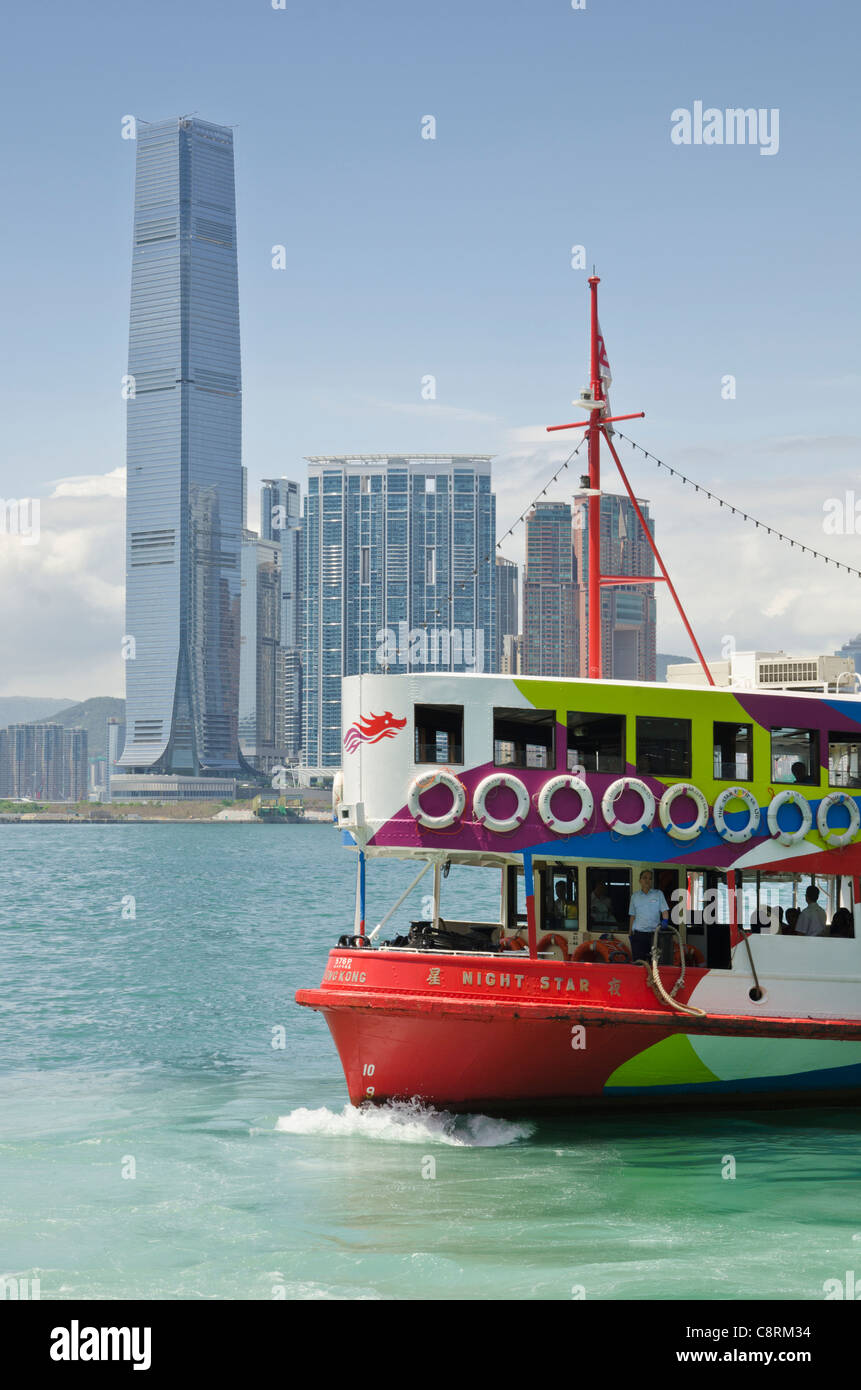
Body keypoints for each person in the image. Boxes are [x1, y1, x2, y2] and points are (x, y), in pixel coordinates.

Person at [628, 869, 670, 962]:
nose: (647, 880)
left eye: (650, 878)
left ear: (652, 881)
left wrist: (665, 921)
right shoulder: (634, 896)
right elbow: (632, 916)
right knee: (639, 963)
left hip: (654, 935)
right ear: (640, 881)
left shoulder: (658, 894)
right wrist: (630, 933)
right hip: (638, 935)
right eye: (645, 878)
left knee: (655, 964)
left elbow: (664, 911)